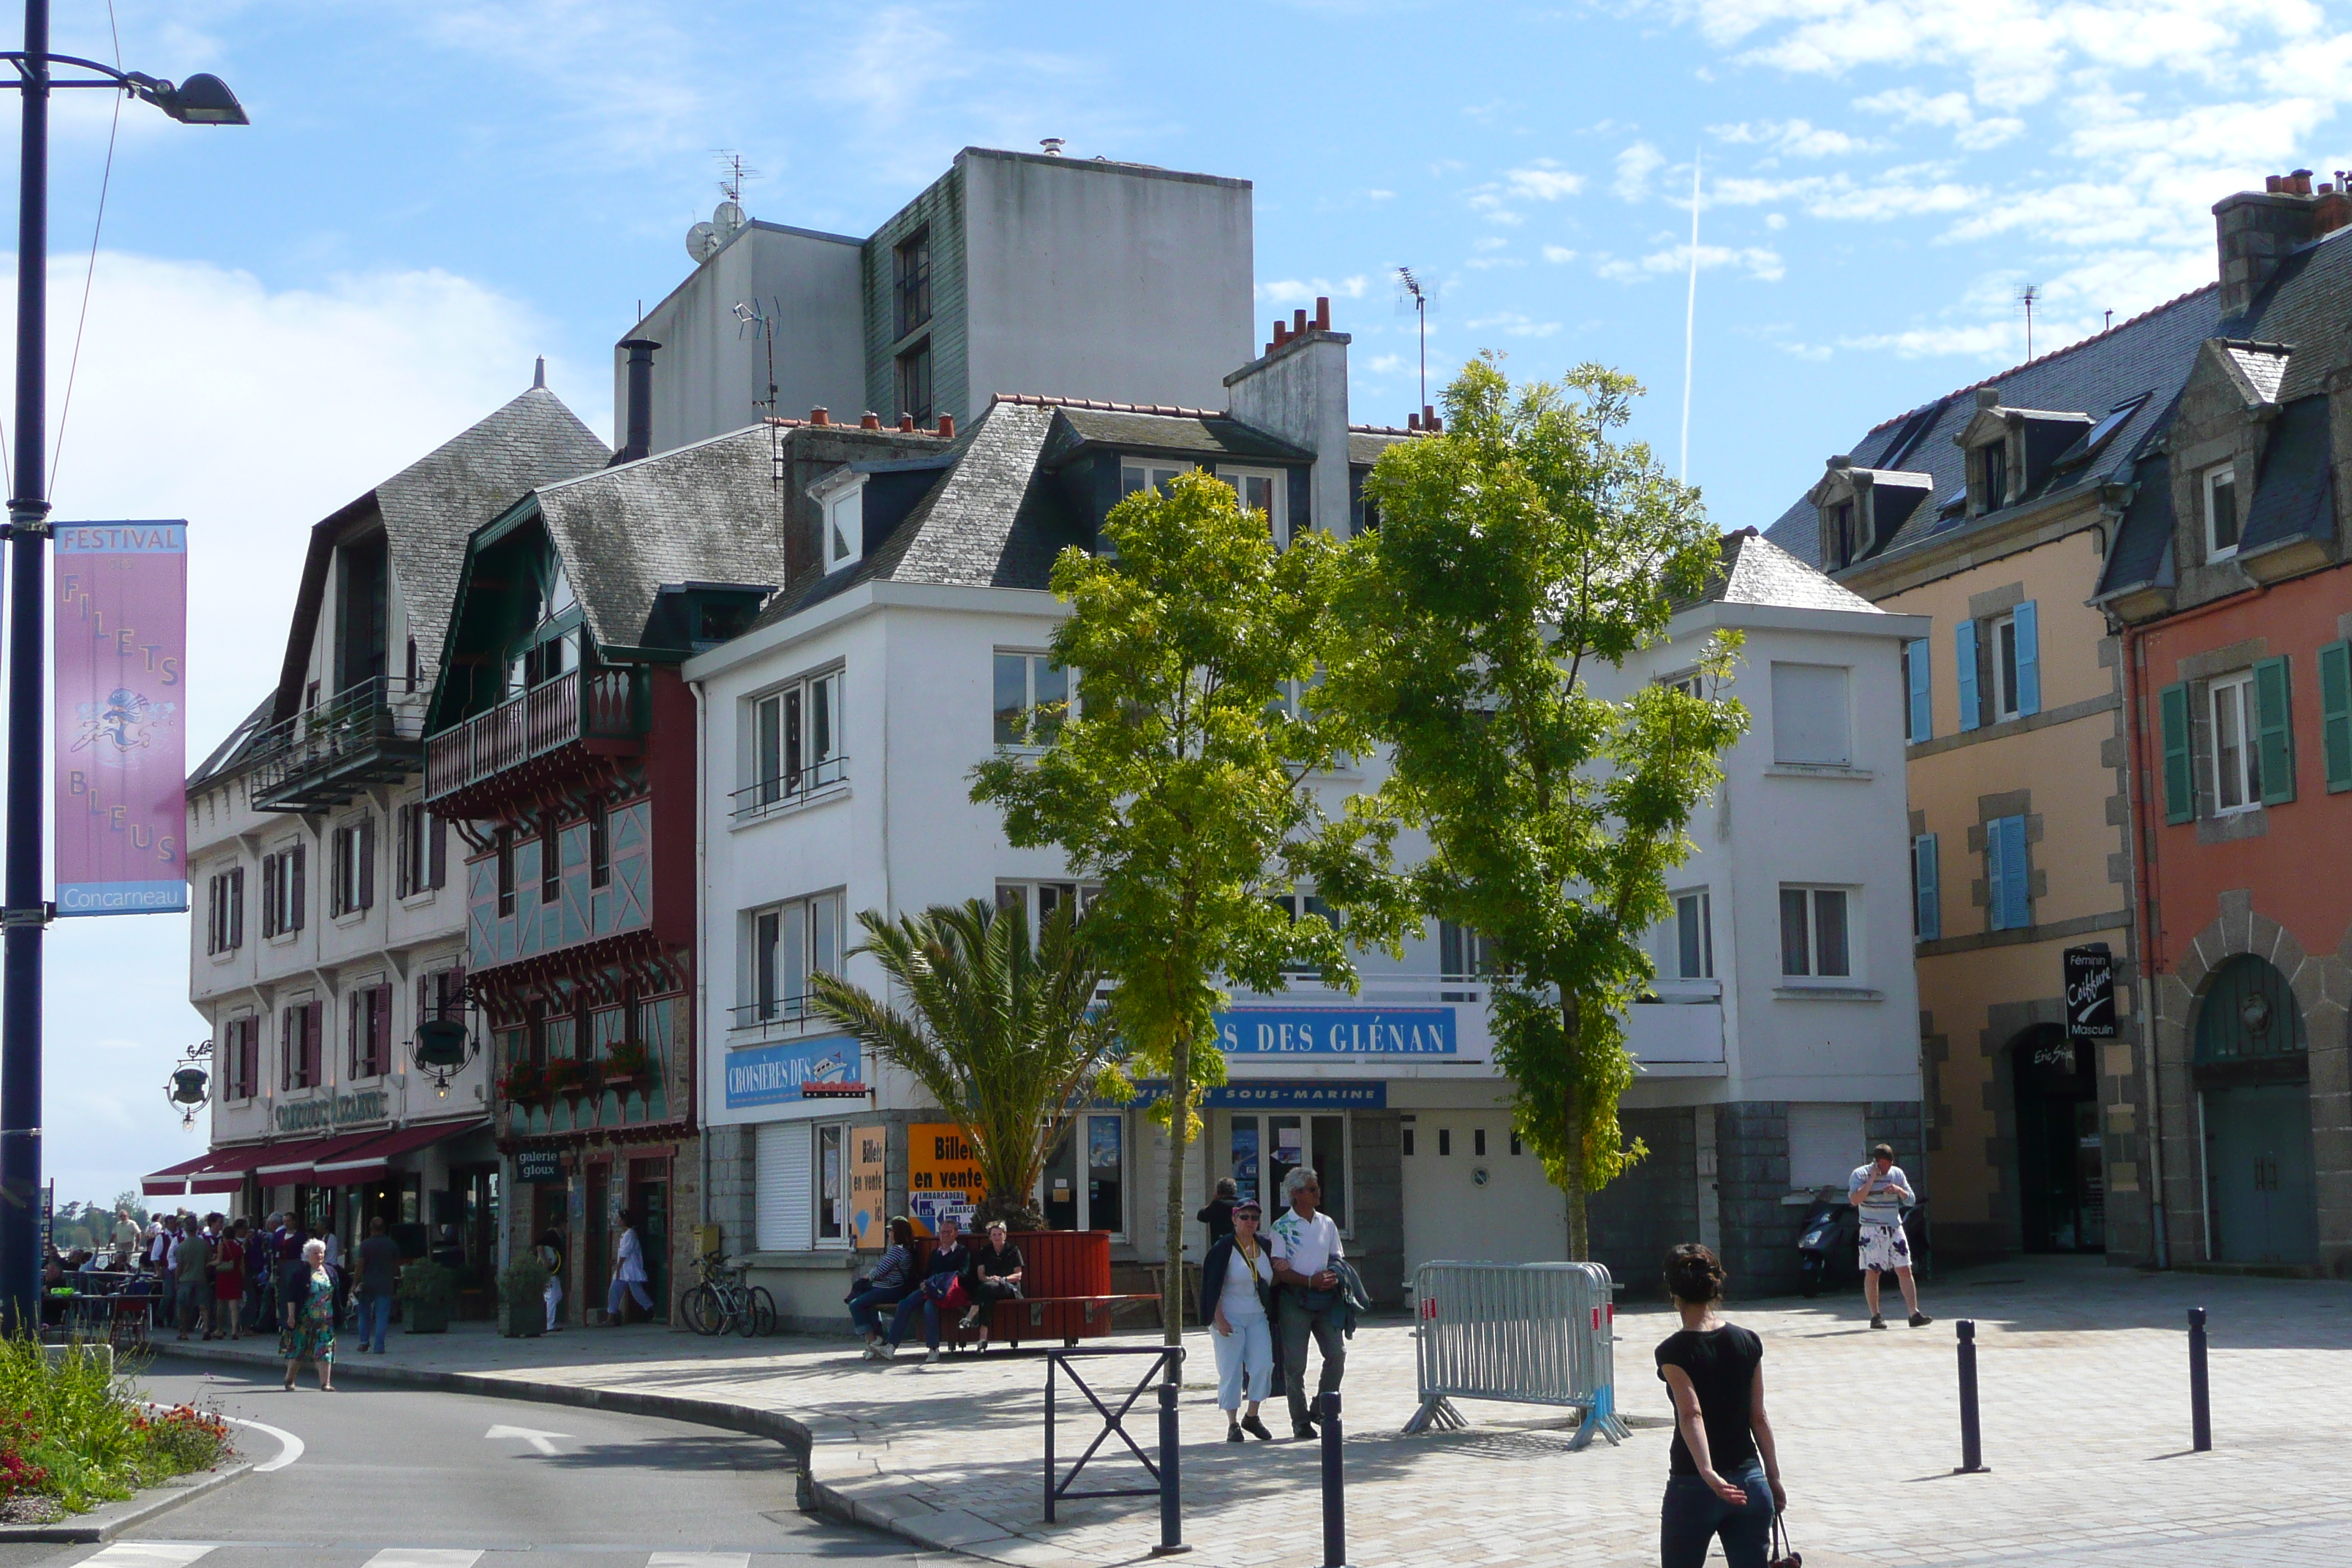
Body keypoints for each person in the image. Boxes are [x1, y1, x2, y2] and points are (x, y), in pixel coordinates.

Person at [1654, 1243, 1784, 1568]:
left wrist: (1708, 1472)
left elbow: (1691, 1413)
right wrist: (1773, 1477)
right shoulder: (1747, 1340)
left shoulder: (1673, 1351)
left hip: (1693, 1483)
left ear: (1673, 1291)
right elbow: (1759, 1416)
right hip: (1750, 1480)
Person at [1269, 1165, 1346, 1440]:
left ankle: (1320, 1407)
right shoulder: (1281, 1227)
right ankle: (1300, 1421)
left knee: (1337, 1355)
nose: (1318, 1193)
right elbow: (1279, 1267)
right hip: (1295, 1300)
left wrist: (1334, 1275)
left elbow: (1338, 1256)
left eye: (1318, 1188)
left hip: (1326, 1299)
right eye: (1313, 1189)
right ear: (1296, 1194)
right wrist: (1309, 1281)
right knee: (1295, 1365)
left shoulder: (1327, 1223)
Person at [1202, 1198, 1276, 1441]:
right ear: (1234, 1219)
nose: (1250, 1222)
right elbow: (1211, 1287)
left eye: (1254, 1218)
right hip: (1229, 1315)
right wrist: (1219, 1318)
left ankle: (1252, 1416)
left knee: (1263, 1365)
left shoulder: (1264, 1245)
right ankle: (1232, 1422)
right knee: (1231, 1370)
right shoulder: (1223, 1248)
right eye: (1244, 1217)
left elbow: (1272, 1278)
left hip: (1257, 1315)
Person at [1849, 1143, 1931, 1329]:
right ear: (1876, 1162)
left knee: (1904, 1268)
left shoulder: (1897, 1174)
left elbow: (1910, 1199)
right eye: (1882, 1165)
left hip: (1894, 1227)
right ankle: (1875, 1316)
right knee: (1873, 1271)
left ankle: (1914, 1314)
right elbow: (1855, 1200)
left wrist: (1898, 1191)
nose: (1886, 1169)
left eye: (1889, 1164)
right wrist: (1871, 1179)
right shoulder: (1859, 1175)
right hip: (1871, 1229)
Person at [888, 1215, 970, 1365]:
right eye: (942, 1232)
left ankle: (933, 1349)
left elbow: (964, 1274)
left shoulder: (962, 1252)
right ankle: (891, 1346)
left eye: (948, 1232)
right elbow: (927, 1274)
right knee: (905, 1304)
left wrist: (943, 1280)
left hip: (949, 1292)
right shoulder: (935, 1253)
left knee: (929, 1306)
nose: (944, 1235)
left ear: (956, 1233)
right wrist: (923, 1283)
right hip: (931, 1289)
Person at [850, 1218, 916, 1356]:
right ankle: (876, 1339)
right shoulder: (902, 1250)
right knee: (868, 1305)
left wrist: (869, 1276)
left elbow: (879, 1270)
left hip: (891, 1290)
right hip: (886, 1289)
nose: (889, 1234)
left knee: (855, 1304)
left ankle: (873, 1340)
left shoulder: (897, 1251)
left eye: (891, 1231)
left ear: (898, 1233)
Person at [279, 1237, 338, 1392]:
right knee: (298, 1348)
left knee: (325, 1349)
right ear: (308, 1255)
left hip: (326, 1318)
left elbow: (337, 1292)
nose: (319, 1255)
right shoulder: (300, 1273)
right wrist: (291, 1316)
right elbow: (291, 1297)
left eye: (321, 1253)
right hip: (305, 1317)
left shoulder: (330, 1271)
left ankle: (325, 1383)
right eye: (315, 1253)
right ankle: (289, 1379)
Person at [959, 1221, 1024, 1350]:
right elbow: (981, 1275)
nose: (997, 1237)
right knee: (986, 1296)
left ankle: (969, 1317)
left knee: (986, 1290)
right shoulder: (985, 1251)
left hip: (1009, 1287)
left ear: (1005, 1235)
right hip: (990, 1287)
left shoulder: (1013, 1250)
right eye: (994, 1235)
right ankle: (982, 1341)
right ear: (990, 1237)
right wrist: (990, 1279)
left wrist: (1002, 1279)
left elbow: (1018, 1275)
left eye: (1000, 1234)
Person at [355, 1217, 401, 1354]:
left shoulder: (365, 1245)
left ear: (370, 1229)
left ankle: (364, 1341)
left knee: (364, 1313)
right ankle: (379, 1346)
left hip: (367, 1283)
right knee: (382, 1315)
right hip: (385, 1283)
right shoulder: (391, 1244)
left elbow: (360, 1265)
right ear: (384, 1229)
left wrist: (355, 1283)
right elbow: (396, 1265)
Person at [607, 1208, 653, 1324]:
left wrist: (618, 1267)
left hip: (629, 1268)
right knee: (614, 1291)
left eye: (619, 1218)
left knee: (637, 1292)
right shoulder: (625, 1235)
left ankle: (650, 1308)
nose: (617, 1220)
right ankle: (611, 1316)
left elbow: (625, 1253)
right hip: (625, 1269)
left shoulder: (630, 1235)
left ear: (624, 1220)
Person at [173, 1215, 212, 1341]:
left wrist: (176, 1280)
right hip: (201, 1278)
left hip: (185, 1279)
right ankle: (206, 1328)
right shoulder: (204, 1244)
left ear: (185, 1229)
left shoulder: (182, 1246)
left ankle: (184, 1333)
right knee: (203, 1306)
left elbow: (180, 1266)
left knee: (183, 1307)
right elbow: (209, 1261)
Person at [211, 1219, 246, 1341]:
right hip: (236, 1276)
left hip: (224, 1276)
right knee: (234, 1305)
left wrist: (209, 1263)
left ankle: (220, 1329)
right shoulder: (239, 1247)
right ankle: (234, 1330)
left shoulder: (222, 1245)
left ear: (224, 1235)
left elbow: (219, 1261)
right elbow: (242, 1266)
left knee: (221, 1303)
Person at [537, 1228, 567, 1333]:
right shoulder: (551, 1235)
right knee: (552, 1297)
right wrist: (544, 1261)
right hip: (550, 1271)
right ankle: (549, 1324)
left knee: (557, 1295)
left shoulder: (558, 1236)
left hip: (555, 1271)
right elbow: (539, 1246)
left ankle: (545, 1320)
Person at [1197, 1177, 1238, 1248]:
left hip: (1221, 1245)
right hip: (1238, 1245)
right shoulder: (1240, 1204)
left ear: (1220, 1191)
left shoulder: (1217, 1205)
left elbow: (1201, 1216)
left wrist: (1214, 1201)